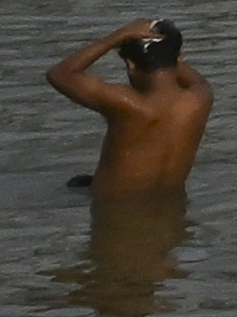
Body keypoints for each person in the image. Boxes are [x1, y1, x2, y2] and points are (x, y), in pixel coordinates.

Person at [46, 18, 209, 199]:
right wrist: (168, 49)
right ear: (177, 58)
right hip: (168, 201)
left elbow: (60, 74)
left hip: (113, 208)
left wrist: (120, 35)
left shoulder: (128, 105)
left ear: (131, 65)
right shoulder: (201, 97)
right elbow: (184, 70)